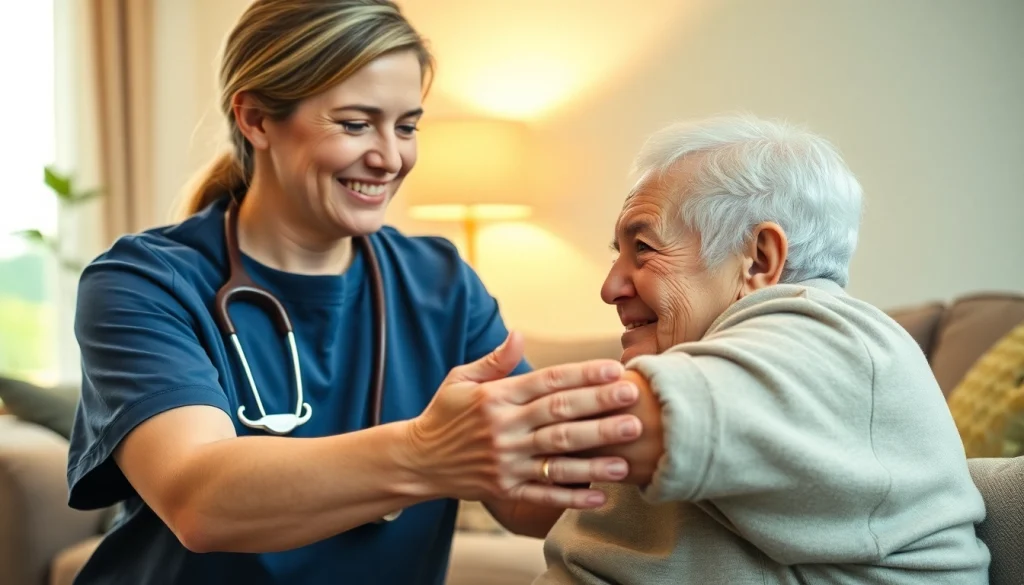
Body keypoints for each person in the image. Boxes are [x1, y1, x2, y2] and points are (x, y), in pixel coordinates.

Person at [64, 2, 647, 584]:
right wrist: (427, 453)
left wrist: (653, 434)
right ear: (257, 119)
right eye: (355, 123)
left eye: (407, 126)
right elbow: (200, 501)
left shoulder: (439, 282)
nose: (390, 158)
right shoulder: (143, 282)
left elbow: (525, 501)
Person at [536, 114, 992, 584]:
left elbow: (642, 423)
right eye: (619, 255)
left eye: (645, 249)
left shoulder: (827, 334)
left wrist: (479, 426)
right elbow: (547, 506)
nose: (610, 287)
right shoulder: (710, 368)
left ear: (759, 258)